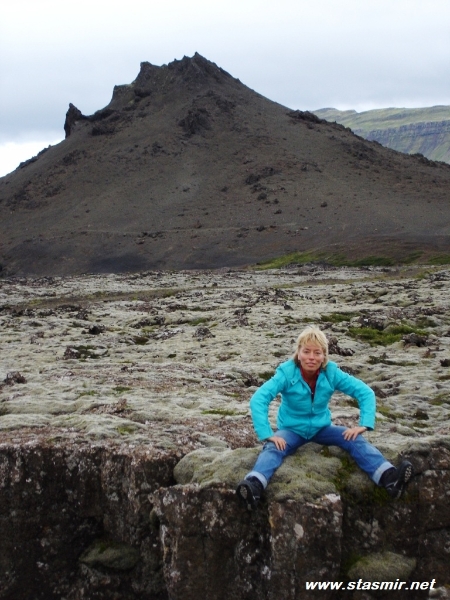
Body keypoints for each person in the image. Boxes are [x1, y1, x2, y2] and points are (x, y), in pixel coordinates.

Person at [236, 325, 413, 510]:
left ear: (324, 356)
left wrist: (364, 424)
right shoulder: (286, 374)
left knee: (353, 438)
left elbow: (365, 392)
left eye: (317, 353)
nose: (311, 357)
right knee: (273, 448)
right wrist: (268, 434)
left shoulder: (331, 373)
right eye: (306, 351)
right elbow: (259, 399)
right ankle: (254, 486)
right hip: (291, 430)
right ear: (298, 353)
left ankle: (389, 478)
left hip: (322, 429)